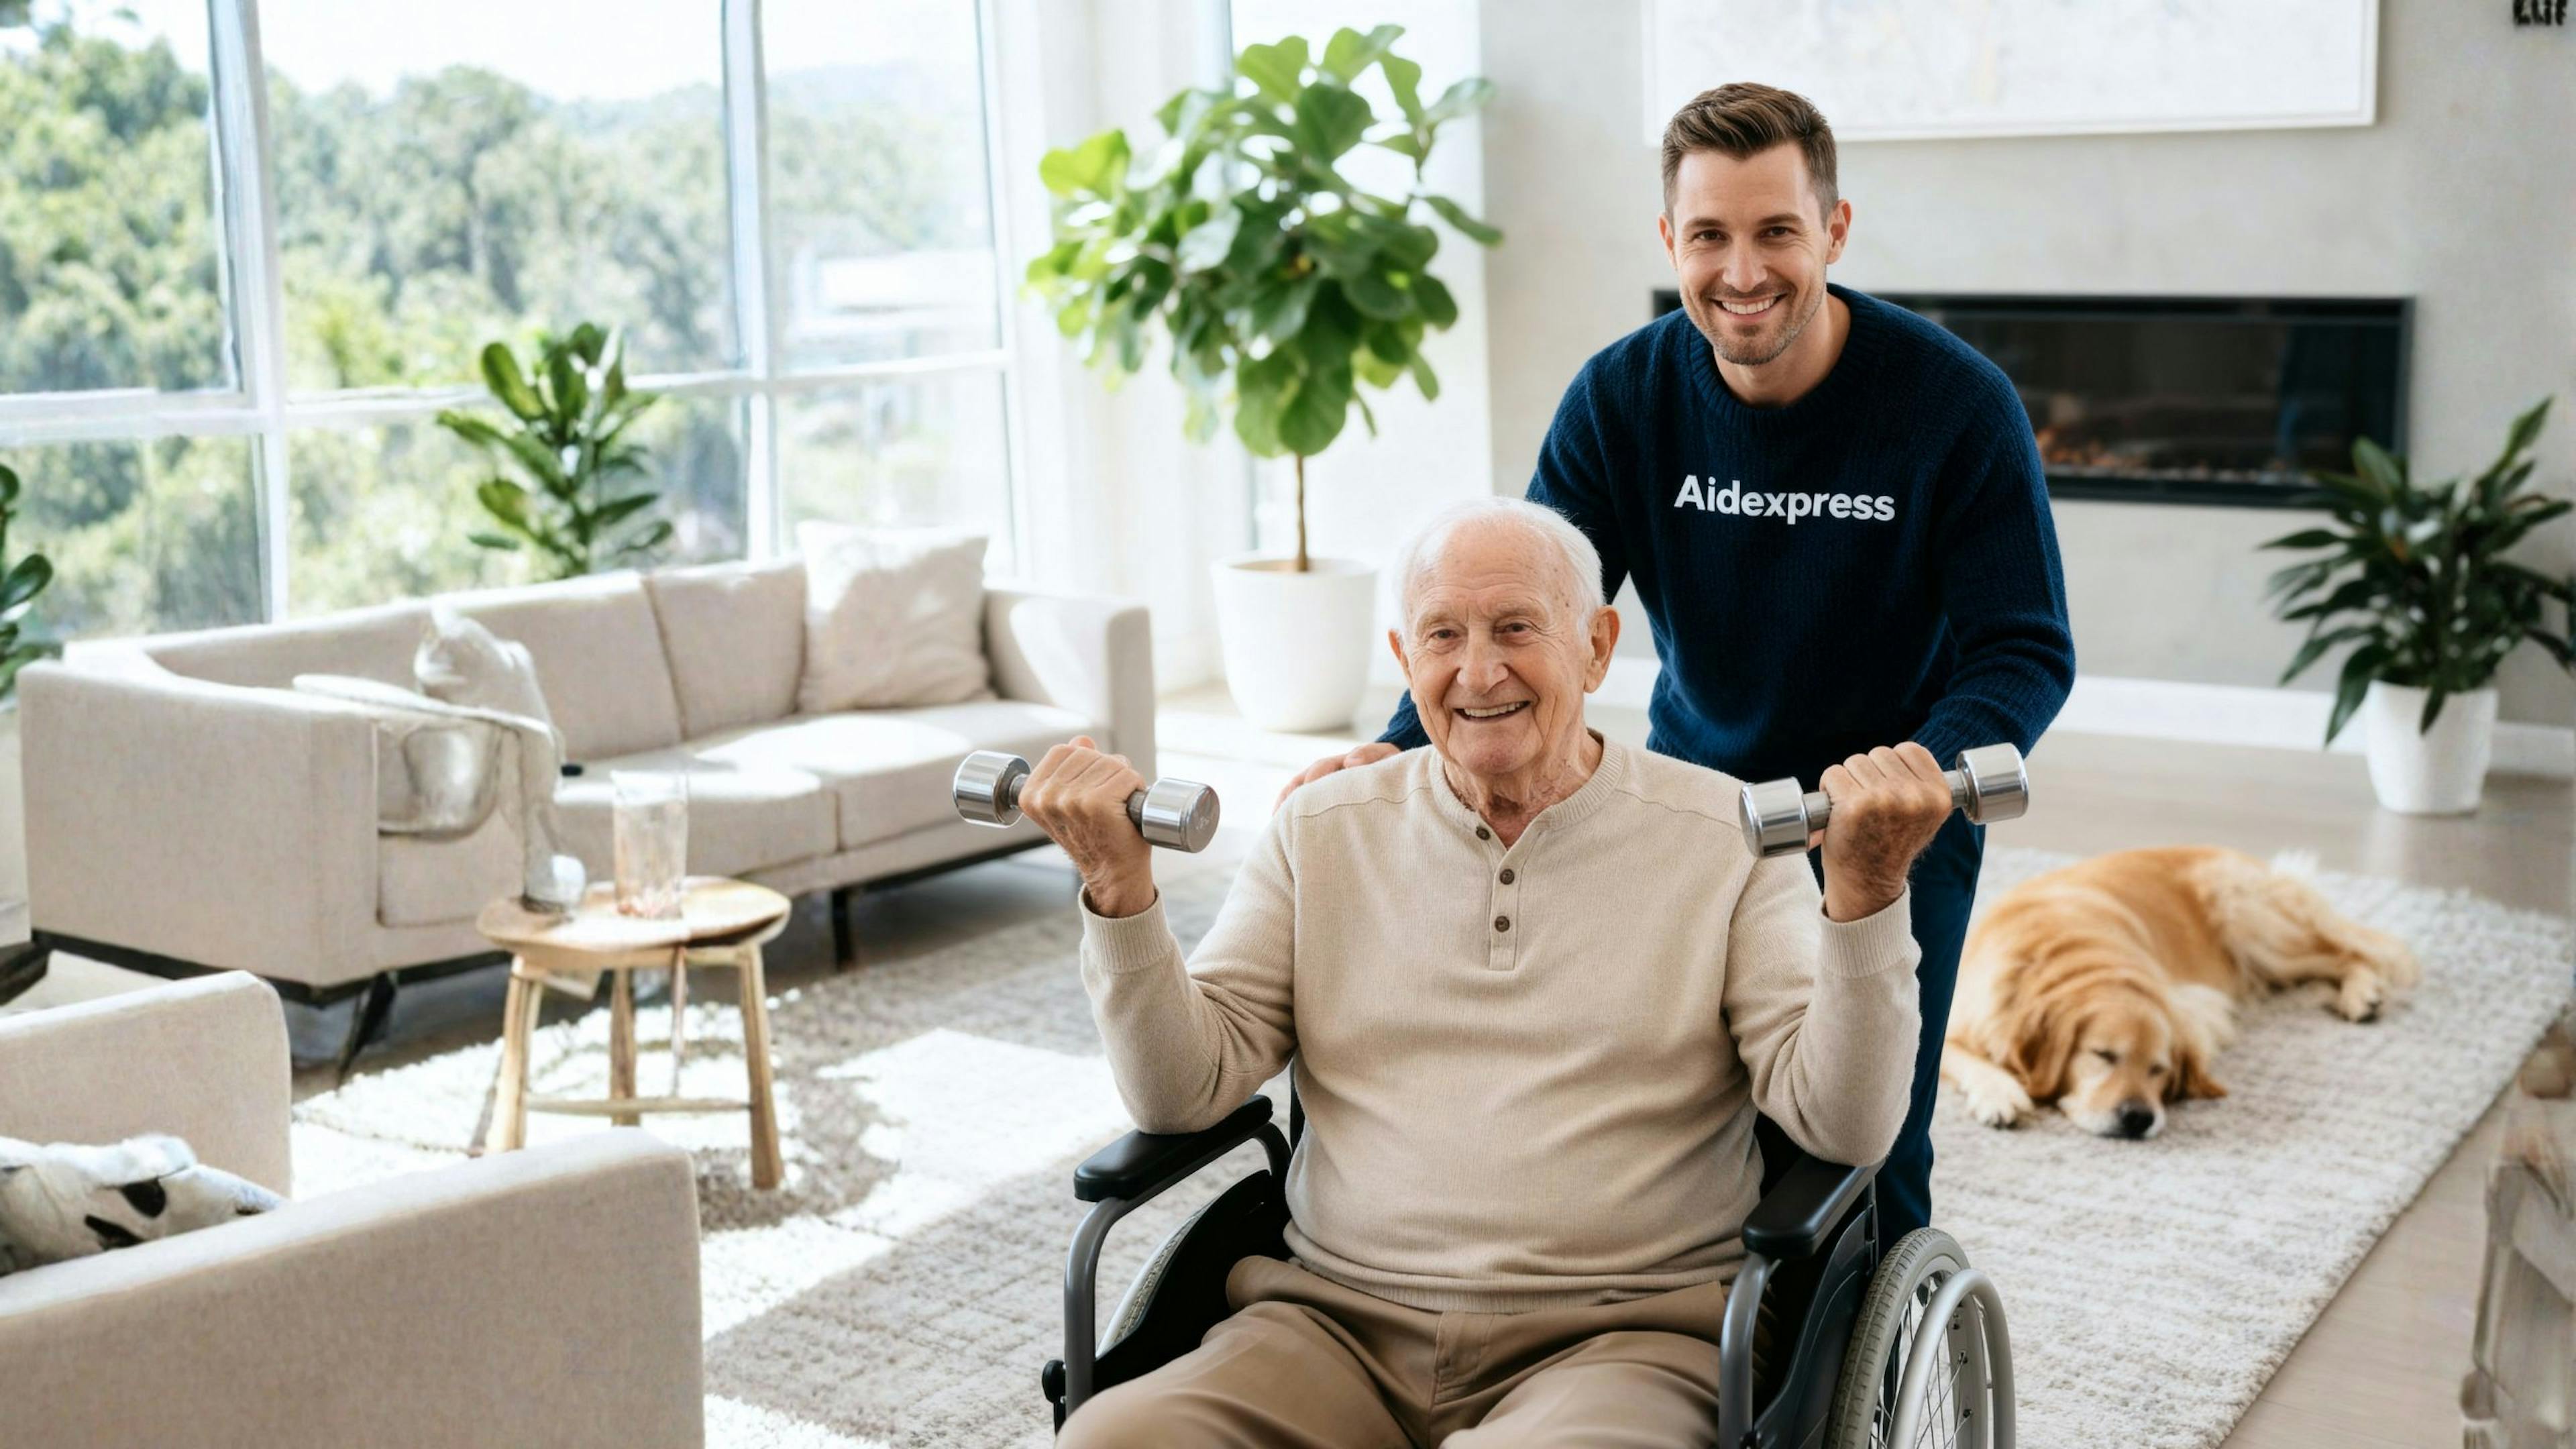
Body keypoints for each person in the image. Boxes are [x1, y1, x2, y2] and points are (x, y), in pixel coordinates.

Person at [1281, 83, 2076, 1244]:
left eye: (1776, 233)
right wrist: (1396, 753)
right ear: (1671, 241)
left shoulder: (1955, 404)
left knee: (1867, 1143)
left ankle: (1857, 1392)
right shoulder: (1625, 396)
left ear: (1835, 232)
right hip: (1702, 816)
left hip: (1889, 824)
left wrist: (1917, 780)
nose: (1741, 271)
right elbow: (1527, 620)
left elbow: (2024, 649)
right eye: (1709, 235)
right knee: (1685, 1114)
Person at [1019, 498, 1955, 1446]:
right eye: (1443, 635)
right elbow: (1182, 1093)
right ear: (1403, 659)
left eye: (1516, 628)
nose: (1478, 671)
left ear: (1596, 646)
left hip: (1621, 1341)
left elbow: (1846, 1123)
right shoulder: (1319, 830)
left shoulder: (1729, 836)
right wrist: (1120, 887)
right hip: (1327, 1324)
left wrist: (1868, 893)